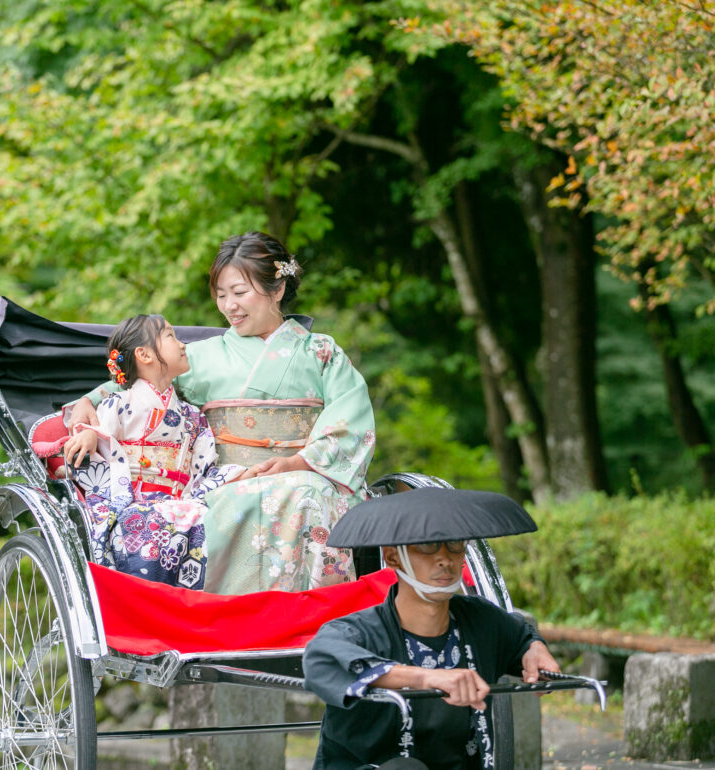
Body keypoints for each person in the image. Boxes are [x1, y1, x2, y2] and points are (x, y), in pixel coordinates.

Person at [67, 232, 376, 594]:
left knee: (309, 492)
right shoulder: (201, 357)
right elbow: (136, 384)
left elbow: (350, 419)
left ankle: (319, 609)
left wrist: (298, 463)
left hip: (308, 473)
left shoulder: (320, 352)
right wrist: (88, 402)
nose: (229, 306)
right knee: (291, 496)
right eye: (221, 295)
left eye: (239, 292)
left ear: (277, 289)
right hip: (229, 484)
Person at [302, 533, 560, 770]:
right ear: (392, 557)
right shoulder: (355, 631)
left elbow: (522, 636)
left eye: (454, 544)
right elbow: (320, 660)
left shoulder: (481, 619)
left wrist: (534, 648)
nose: (445, 559)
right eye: (428, 545)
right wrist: (425, 677)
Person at [62, 314, 243, 589]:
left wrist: (234, 476)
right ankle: (146, 601)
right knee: (150, 519)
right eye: (170, 336)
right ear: (144, 355)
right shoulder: (117, 404)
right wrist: (91, 434)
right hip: (131, 500)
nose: (182, 344)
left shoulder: (192, 415)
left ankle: (191, 606)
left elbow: (204, 468)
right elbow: (102, 444)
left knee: (209, 519)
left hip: (182, 500)